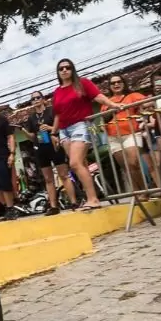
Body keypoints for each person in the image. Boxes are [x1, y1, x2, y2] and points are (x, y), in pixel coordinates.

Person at [51, 58, 122, 211]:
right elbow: (57, 114)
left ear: (72, 69)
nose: (64, 70)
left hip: (81, 125)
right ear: (58, 72)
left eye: (67, 67)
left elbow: (98, 96)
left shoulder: (82, 83)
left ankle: (93, 199)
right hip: (64, 130)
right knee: (80, 165)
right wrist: (53, 132)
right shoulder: (57, 91)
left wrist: (112, 104)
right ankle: (89, 198)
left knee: (74, 163)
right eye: (61, 68)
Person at [22, 91, 76, 215]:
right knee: (48, 179)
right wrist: (23, 130)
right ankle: (53, 206)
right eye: (33, 99)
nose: (35, 100)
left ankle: (73, 201)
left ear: (43, 99)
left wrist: (50, 128)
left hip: (54, 144)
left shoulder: (51, 111)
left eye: (37, 97)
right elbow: (32, 137)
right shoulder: (31, 118)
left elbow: (61, 126)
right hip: (40, 148)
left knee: (63, 175)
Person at [104, 76, 151, 200]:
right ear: (109, 86)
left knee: (133, 163)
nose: (116, 84)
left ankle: (145, 191)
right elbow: (103, 121)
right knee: (126, 167)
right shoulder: (106, 102)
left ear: (124, 83)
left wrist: (145, 103)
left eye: (119, 82)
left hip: (131, 133)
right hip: (113, 138)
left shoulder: (133, 96)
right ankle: (137, 194)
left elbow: (148, 102)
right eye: (113, 83)